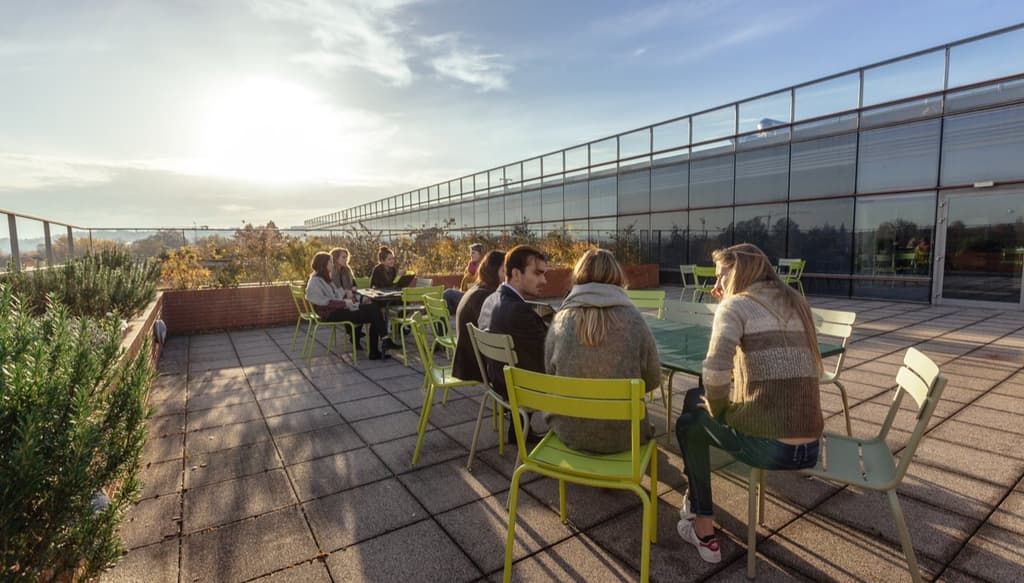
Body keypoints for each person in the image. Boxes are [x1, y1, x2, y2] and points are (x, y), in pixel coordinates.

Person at [675, 243, 824, 564]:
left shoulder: (737, 306)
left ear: (739, 271)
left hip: (771, 448)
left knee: (689, 424)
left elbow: (714, 371)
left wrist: (721, 412)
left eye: (721, 278)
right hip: (811, 447)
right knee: (692, 399)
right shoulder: (796, 302)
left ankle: (703, 529)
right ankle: (693, 496)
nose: (715, 288)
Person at [544, 249, 661, 453]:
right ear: (616, 275)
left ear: (579, 275)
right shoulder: (635, 319)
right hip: (627, 437)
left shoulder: (561, 319)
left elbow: (550, 373)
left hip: (569, 432)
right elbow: (652, 380)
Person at [478, 245, 549, 398]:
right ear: (516, 274)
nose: (544, 280)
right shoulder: (519, 312)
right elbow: (552, 352)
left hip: (499, 383)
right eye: (537, 273)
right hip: (523, 390)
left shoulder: (489, 301)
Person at [306, 252, 390, 360]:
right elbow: (324, 302)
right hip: (330, 314)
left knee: (374, 308)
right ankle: (381, 343)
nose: (332, 264)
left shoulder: (325, 278)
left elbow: (336, 294)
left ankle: (383, 341)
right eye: (330, 262)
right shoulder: (315, 282)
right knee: (374, 313)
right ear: (323, 264)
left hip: (338, 310)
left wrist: (348, 294)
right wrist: (345, 302)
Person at [451, 249, 505, 382]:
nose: (510, 275)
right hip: (476, 367)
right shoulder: (485, 297)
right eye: (505, 270)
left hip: (466, 359)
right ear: (494, 271)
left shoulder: (477, 289)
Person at [443, 243, 485, 314]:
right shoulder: (470, 267)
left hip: (472, 297)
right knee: (447, 303)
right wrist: (459, 290)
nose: (471, 255)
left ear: (480, 254)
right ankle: (444, 316)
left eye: (473, 253)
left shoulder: (483, 268)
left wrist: (467, 288)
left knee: (448, 293)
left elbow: (481, 286)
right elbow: (466, 284)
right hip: (464, 294)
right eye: (470, 253)